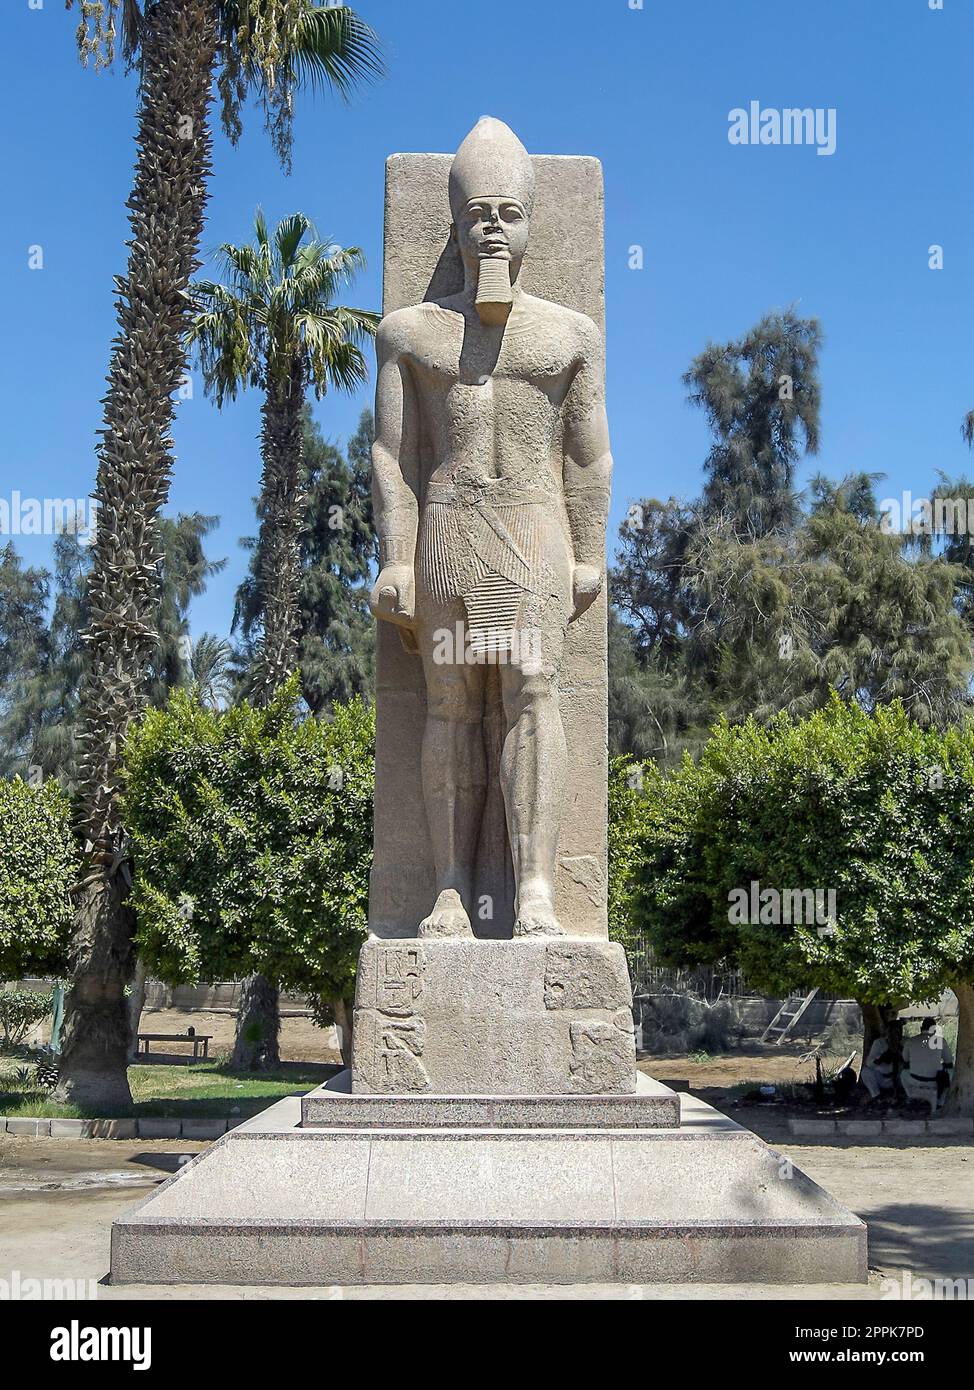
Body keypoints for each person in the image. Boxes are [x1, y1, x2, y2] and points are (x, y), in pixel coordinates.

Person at [900, 1017, 953, 1112]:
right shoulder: (940, 1041)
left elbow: (905, 1060)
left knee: (903, 1073)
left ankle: (910, 1095)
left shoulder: (911, 1041)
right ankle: (940, 1102)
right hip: (934, 1082)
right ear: (934, 1030)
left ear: (921, 1028)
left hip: (914, 1080)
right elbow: (948, 1062)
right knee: (952, 1072)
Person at [859, 1035, 897, 1103]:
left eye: (896, 1029)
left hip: (898, 1079)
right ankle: (876, 1095)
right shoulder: (879, 1043)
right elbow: (869, 1063)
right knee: (865, 1072)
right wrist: (880, 1058)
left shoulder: (906, 1041)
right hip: (882, 1078)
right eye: (890, 1029)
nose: (893, 1032)